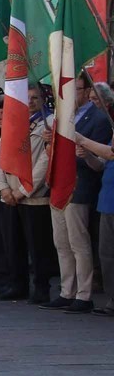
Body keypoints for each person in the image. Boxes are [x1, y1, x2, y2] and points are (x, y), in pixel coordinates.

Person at [45, 80, 113, 313]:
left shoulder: (99, 119)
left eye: (74, 91)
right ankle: (67, 290)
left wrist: (78, 149)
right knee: (61, 242)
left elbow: (100, 158)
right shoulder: (62, 118)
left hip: (79, 186)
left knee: (78, 243)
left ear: (85, 92)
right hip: (58, 186)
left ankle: (84, 294)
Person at [0, 89, 54, 304]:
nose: (31, 102)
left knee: (38, 248)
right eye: (27, 99)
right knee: (13, 245)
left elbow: (45, 162)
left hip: (33, 197)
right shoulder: (14, 123)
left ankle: (41, 288)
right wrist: (3, 189)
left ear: (42, 100)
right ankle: (17, 285)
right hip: (10, 196)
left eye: (35, 98)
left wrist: (23, 191)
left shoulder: (49, 123)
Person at [76, 82, 114, 316]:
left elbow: (111, 152)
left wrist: (82, 140)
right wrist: (89, 155)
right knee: (106, 253)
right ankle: (112, 299)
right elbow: (101, 164)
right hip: (107, 199)